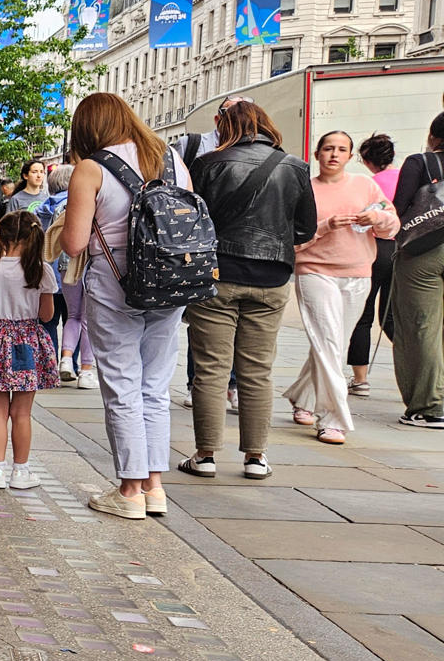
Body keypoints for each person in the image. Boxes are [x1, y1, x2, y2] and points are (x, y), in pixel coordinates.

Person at [60, 93, 191, 519]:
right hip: (171, 282)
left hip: (115, 285)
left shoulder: (91, 168)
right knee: (155, 386)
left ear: (88, 128)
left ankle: (129, 490)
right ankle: (155, 488)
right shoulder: (169, 157)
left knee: (121, 385)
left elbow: (75, 243)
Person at [178, 99, 315, 480]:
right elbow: (305, 229)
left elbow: (192, 222)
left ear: (223, 125)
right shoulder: (295, 167)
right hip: (271, 278)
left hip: (217, 276)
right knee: (257, 371)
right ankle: (256, 457)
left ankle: (205, 454)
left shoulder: (207, 164)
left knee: (211, 369)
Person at [283, 131, 399, 444]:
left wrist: (376, 216)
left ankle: (303, 396)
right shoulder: (304, 190)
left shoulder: (365, 185)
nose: (334, 154)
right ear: (318, 154)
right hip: (314, 271)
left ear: (350, 156)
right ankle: (332, 418)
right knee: (330, 343)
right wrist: (325, 227)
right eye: (328, 149)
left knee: (332, 343)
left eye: (342, 149)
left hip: (359, 273)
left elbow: (393, 223)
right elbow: (290, 241)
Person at [0, 210, 59, 489]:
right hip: (26, 343)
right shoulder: (39, 269)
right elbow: (47, 315)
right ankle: (20, 472)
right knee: (21, 411)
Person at [389, 112, 444, 428]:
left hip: (424, 253)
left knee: (420, 328)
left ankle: (428, 406)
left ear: (434, 136)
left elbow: (397, 208)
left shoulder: (420, 162)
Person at [349, 132, 399, 396]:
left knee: (364, 315)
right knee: (391, 317)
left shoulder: (370, 185)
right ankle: (417, 365)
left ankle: (360, 379)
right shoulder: (405, 177)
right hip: (401, 251)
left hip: (375, 249)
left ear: (367, 160)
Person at [43, 165, 93, 386]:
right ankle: (86, 371)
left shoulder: (53, 205)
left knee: (73, 316)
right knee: (88, 318)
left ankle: (64, 359)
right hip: (88, 261)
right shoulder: (84, 199)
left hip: (64, 263)